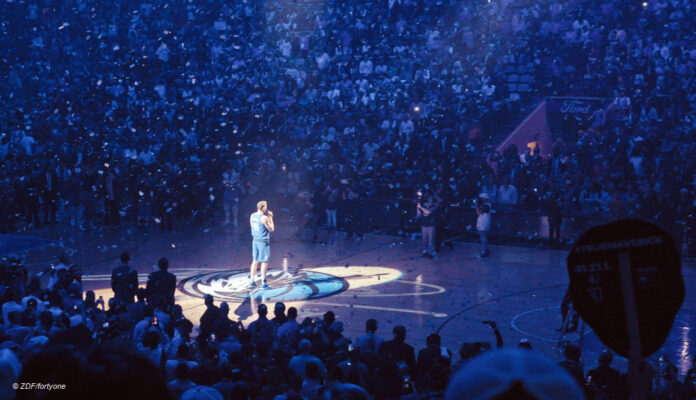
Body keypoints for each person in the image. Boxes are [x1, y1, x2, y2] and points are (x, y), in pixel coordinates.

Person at [249, 200, 274, 289]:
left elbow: (252, 227)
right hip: (263, 241)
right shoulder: (264, 218)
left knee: (255, 261)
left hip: (255, 240)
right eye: (266, 206)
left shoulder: (252, 215)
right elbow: (272, 229)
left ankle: (251, 281)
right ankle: (263, 283)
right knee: (264, 262)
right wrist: (271, 217)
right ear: (263, 207)